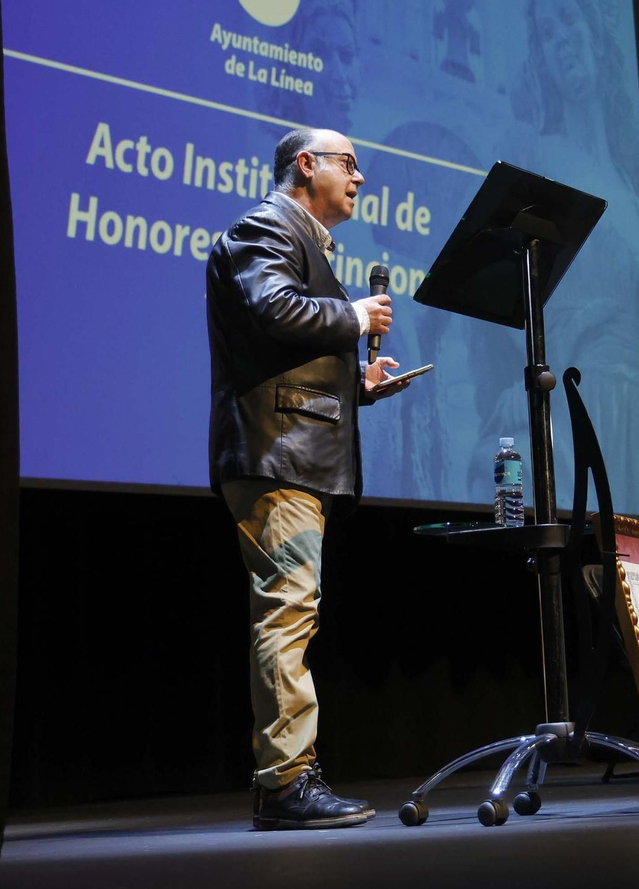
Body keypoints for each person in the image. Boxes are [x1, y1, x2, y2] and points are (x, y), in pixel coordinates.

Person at [207, 127, 410, 831]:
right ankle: (286, 783)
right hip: (277, 454)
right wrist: (353, 316)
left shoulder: (304, 240)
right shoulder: (265, 226)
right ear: (306, 165)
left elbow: (284, 349)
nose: (360, 178)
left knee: (294, 610)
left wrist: (358, 386)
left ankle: (289, 776)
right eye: (348, 164)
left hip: (296, 455)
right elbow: (271, 309)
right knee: (287, 611)